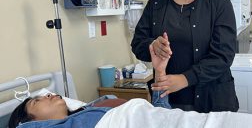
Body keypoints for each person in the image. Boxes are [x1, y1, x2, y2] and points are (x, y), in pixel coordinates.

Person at [131, 0, 239, 113]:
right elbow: (137, 44)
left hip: (213, 100)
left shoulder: (218, 2)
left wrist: (184, 79)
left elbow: (223, 56)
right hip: (170, 102)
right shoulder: (155, 6)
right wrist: (152, 45)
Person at [8, 46, 170, 128]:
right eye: (36, 101)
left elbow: (160, 117)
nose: (48, 95)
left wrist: (160, 71)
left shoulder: (89, 111)